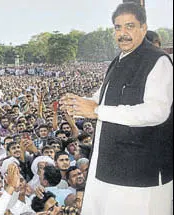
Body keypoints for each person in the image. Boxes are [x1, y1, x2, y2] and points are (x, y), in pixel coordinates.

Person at [60, 2, 173, 215]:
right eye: (118, 27)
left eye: (129, 26)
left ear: (143, 28)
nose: (123, 33)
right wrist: (78, 103)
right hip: (110, 167)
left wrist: (97, 111)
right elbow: (101, 97)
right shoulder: (118, 60)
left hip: (141, 174)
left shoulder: (158, 61)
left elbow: (157, 112)